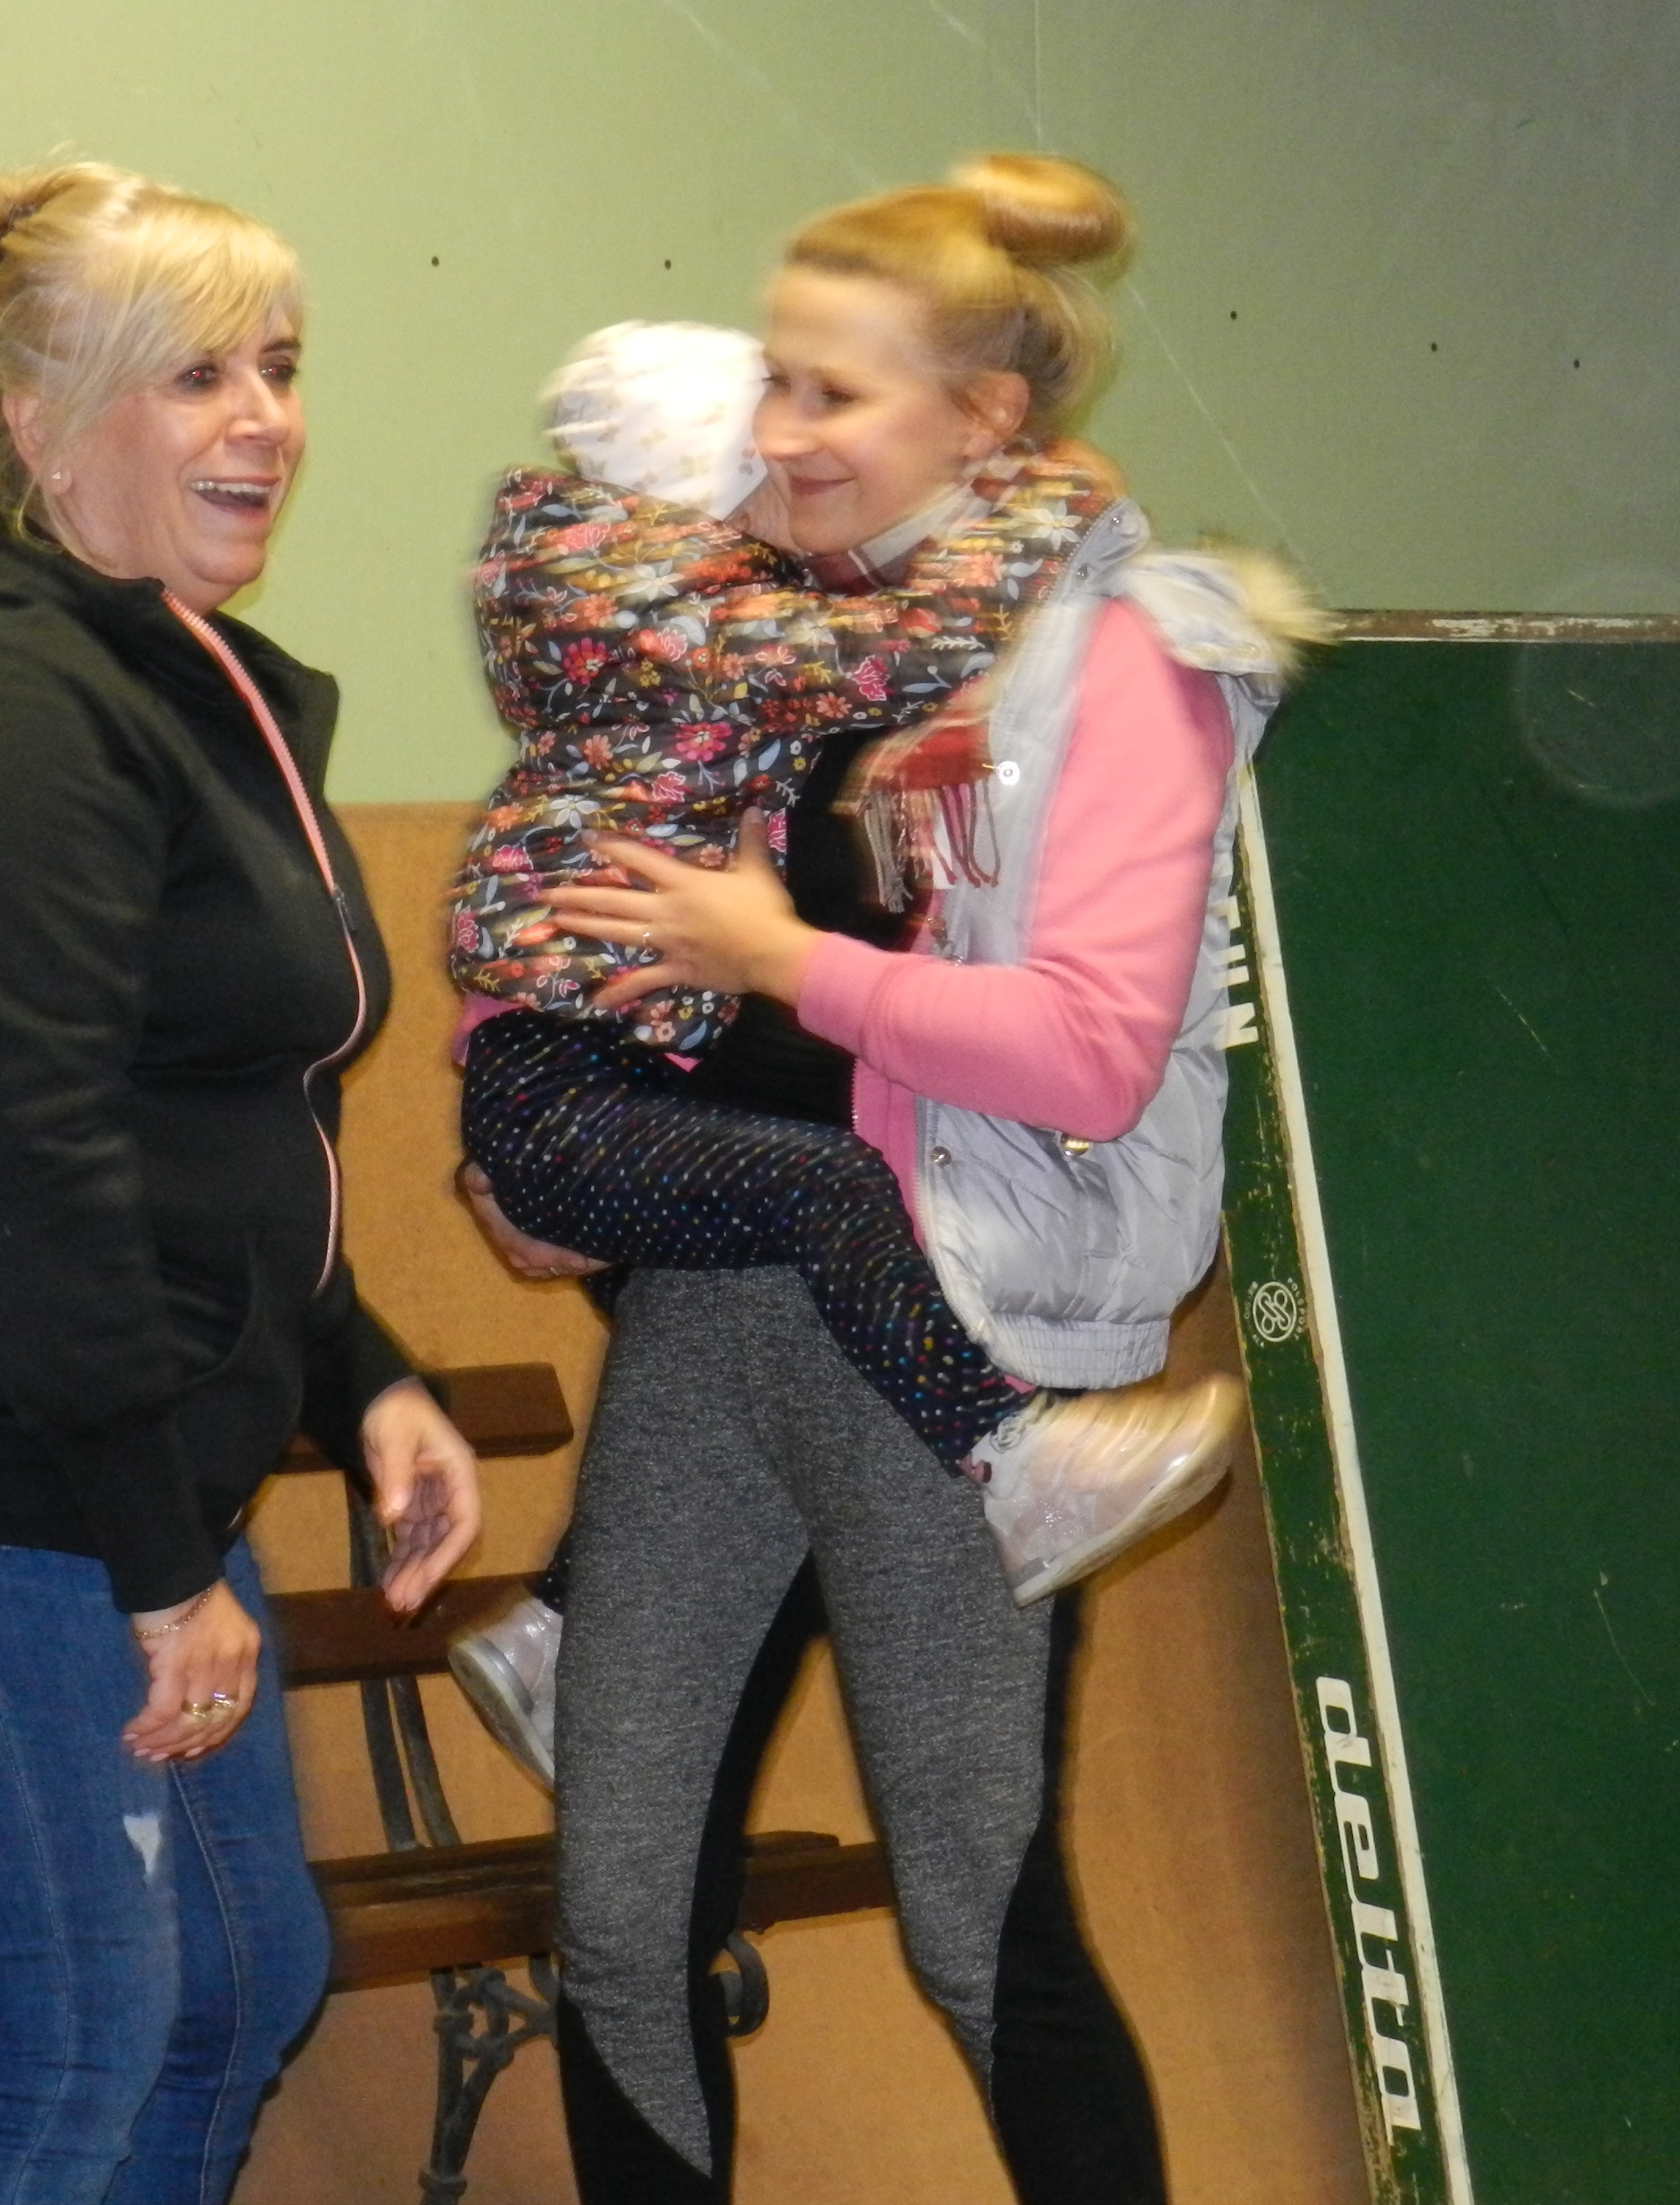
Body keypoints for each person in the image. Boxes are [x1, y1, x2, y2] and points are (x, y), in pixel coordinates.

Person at [457, 154, 1316, 2204]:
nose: (775, 430)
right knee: (620, 1920)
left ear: (982, 419)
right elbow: (656, 948)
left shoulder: (1117, 657)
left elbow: (1087, 1053)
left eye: (832, 392)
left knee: (969, 1929)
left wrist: (779, 961)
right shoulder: (785, 617)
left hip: (947, 1342)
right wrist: (586, 1162)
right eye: (773, 379)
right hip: (715, 1323)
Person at [0, 162, 481, 2205]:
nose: (265, 420)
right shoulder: (5, 702)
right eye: (194, 376)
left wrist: (363, 1376)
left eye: (280, 368)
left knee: (235, 1982)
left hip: (103, 1431)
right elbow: (35, 1152)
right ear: (37, 423)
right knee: (82, 2027)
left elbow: (207, 1117)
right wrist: (159, 1560)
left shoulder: (171, 676)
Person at [442, 319, 1246, 1790]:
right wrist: (1056, 508)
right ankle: (1006, 1462)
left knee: (786, 1327)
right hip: (625, 1100)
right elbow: (893, 672)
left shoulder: (707, 600)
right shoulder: (695, 608)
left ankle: (564, 1627)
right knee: (809, 1230)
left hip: (692, 1117)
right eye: (775, 436)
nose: (802, 459)